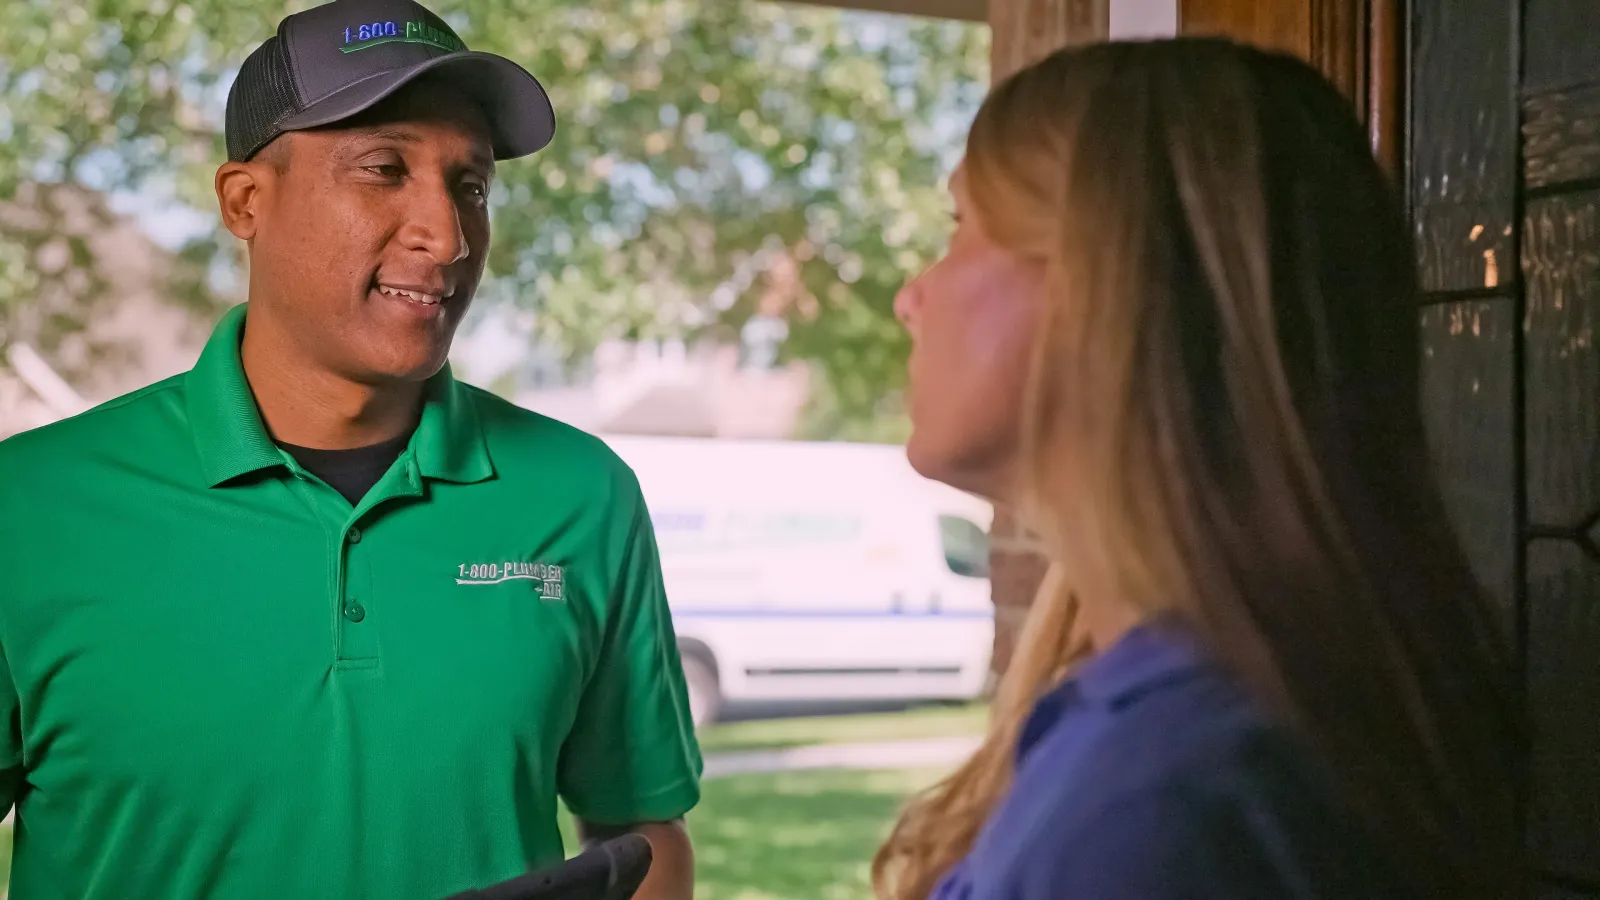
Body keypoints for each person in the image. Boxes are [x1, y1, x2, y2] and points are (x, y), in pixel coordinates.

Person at [0, 1, 700, 897]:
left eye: (471, 186)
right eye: (383, 169)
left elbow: (642, 829)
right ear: (245, 201)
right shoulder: (30, 503)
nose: (445, 237)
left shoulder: (583, 494)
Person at [876, 38, 1522, 900]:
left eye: (960, 228)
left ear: (1109, 275)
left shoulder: (1160, 804)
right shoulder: (1209, 723)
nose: (910, 297)